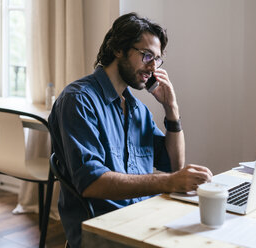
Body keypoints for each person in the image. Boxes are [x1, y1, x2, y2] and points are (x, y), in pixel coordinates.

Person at [48, 12, 213, 248]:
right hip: (104, 231)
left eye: (157, 60)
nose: (152, 67)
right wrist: (168, 182)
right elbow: (91, 182)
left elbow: (173, 165)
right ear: (119, 49)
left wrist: (171, 110)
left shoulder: (138, 110)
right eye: (146, 55)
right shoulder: (79, 100)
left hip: (145, 220)